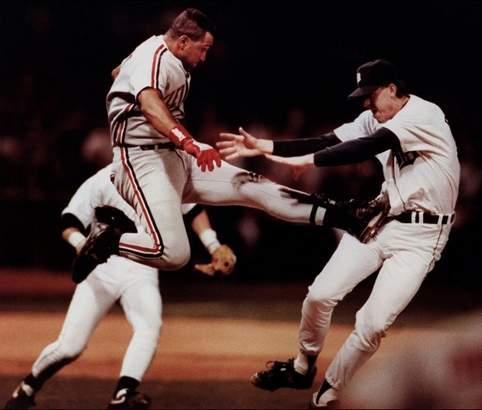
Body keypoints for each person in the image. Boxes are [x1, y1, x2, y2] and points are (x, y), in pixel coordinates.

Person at [217, 59, 460, 408]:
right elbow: (327, 139)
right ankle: (301, 367)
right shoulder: (375, 116)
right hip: (381, 221)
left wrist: (307, 163)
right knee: (320, 295)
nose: (365, 104)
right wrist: (266, 147)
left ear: (392, 88)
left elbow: (362, 148)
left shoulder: (425, 114)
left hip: (422, 239)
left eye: (370, 95)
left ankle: (328, 393)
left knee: (373, 324)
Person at [72, 8, 362, 283]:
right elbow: (149, 105)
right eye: (203, 48)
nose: (205, 57)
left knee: (254, 185)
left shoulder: (153, 54)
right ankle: (109, 239)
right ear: (184, 41)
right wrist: (190, 143)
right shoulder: (154, 57)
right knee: (173, 254)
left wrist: (126, 81)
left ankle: (339, 214)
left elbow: (116, 73)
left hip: (171, 155)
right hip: (142, 161)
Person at [3, 165, 237, 410]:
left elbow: (193, 209)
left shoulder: (163, 177)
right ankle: (27, 388)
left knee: (149, 326)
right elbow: (68, 221)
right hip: (101, 269)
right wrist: (83, 244)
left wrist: (213, 244)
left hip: (142, 268)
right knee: (70, 347)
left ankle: (124, 393)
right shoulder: (102, 180)